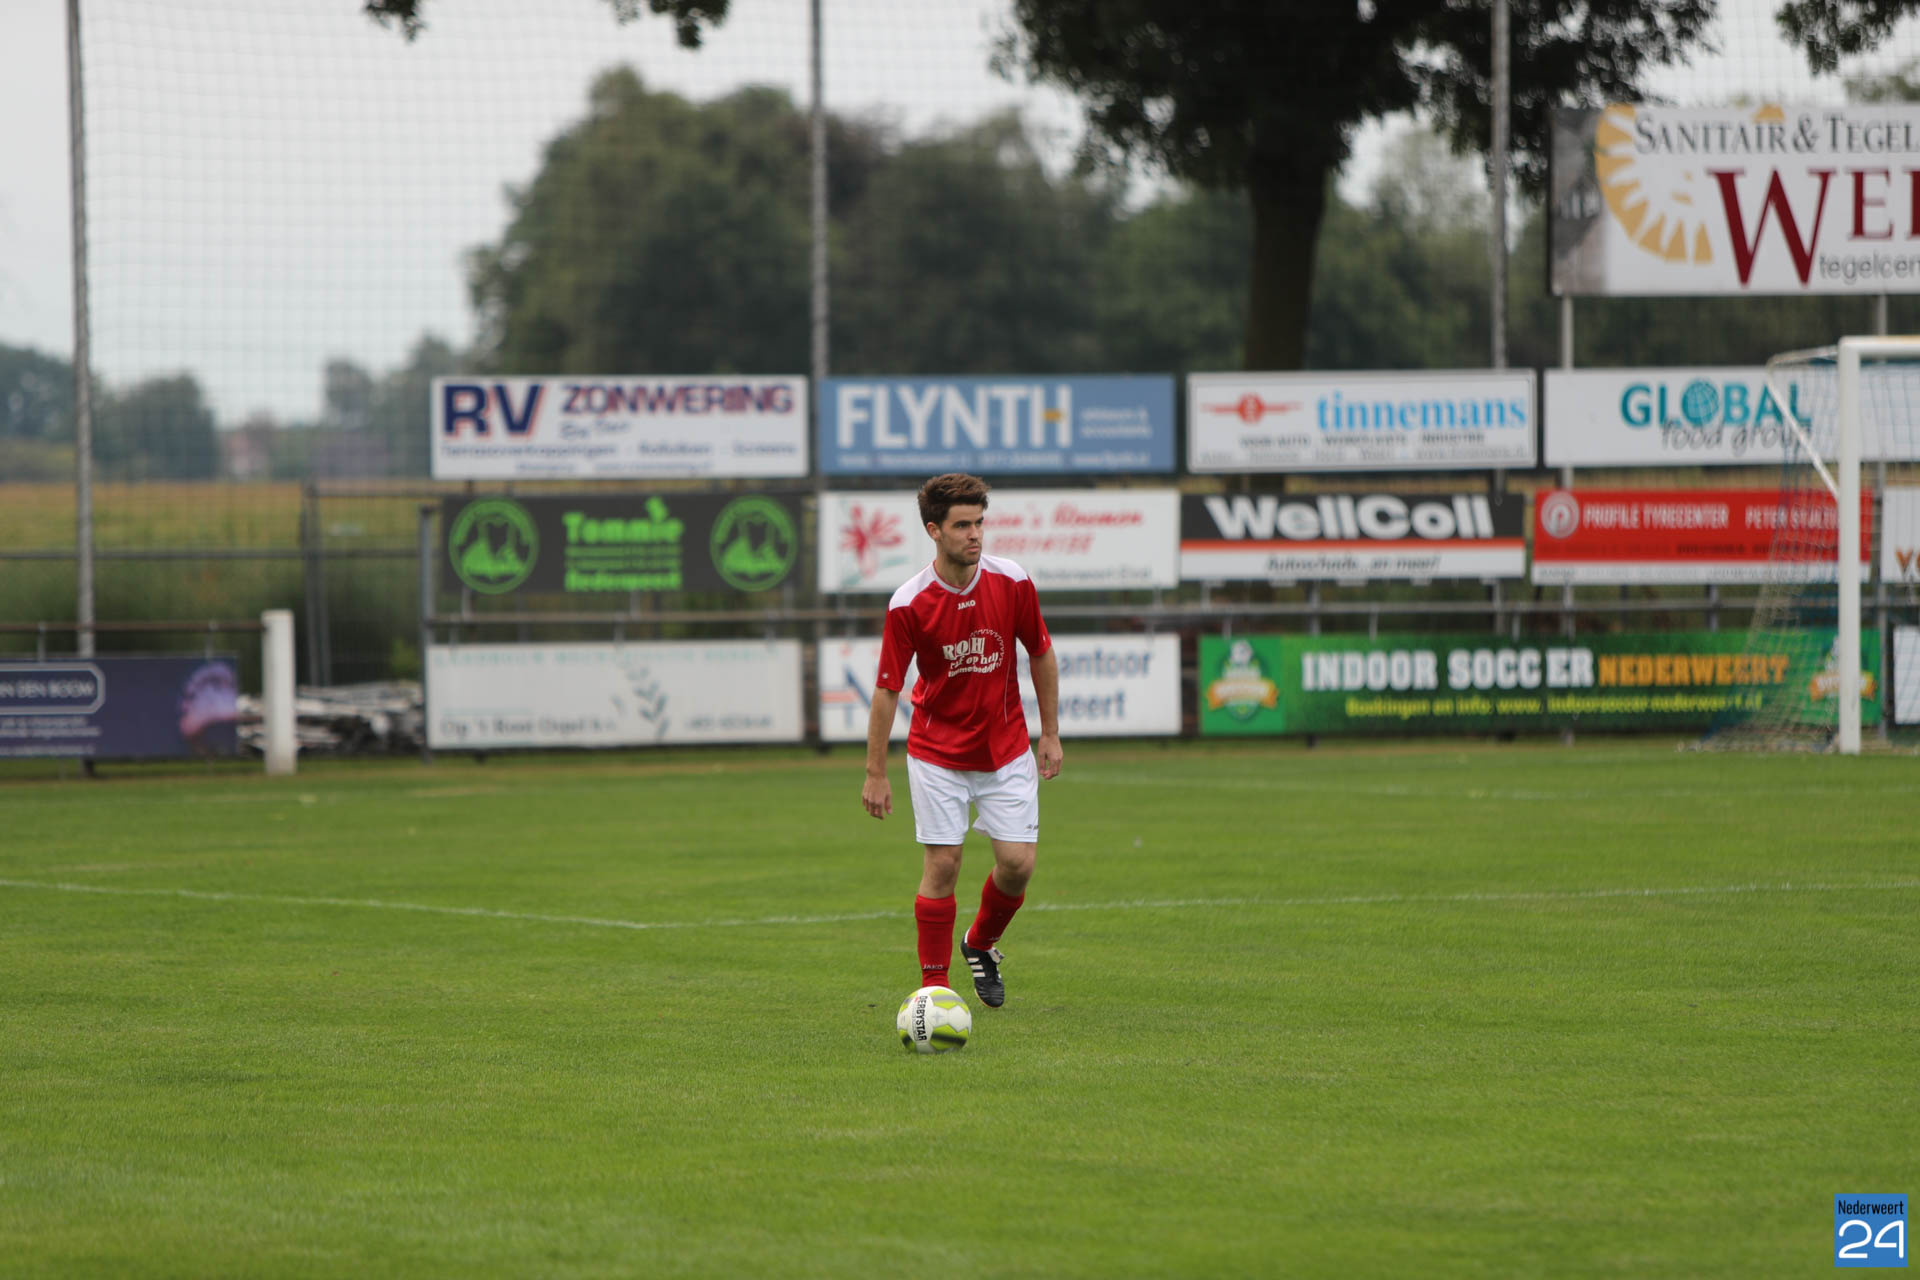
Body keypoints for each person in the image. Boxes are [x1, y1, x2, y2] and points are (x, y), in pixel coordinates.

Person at [861, 472, 1062, 1008]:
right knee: (944, 864)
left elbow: (1041, 653)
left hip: (1005, 749)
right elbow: (887, 690)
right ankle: (934, 990)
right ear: (934, 530)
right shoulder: (909, 602)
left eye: (979, 523)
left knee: (1018, 865)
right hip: (937, 754)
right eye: (962, 525)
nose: (975, 534)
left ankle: (980, 943)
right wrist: (875, 772)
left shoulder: (1011, 580)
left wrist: (1050, 733)